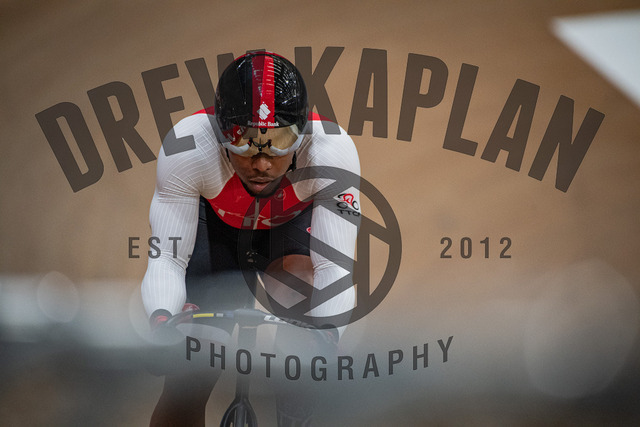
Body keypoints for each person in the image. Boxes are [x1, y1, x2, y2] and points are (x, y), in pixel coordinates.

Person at [141, 51, 360, 426]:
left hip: (287, 238)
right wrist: (162, 321)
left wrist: (326, 337)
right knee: (190, 371)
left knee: (303, 355)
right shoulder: (187, 147)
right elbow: (167, 259)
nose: (261, 162)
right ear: (220, 130)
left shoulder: (332, 152)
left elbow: (334, 268)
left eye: (279, 140)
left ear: (302, 133)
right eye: (242, 139)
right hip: (216, 234)